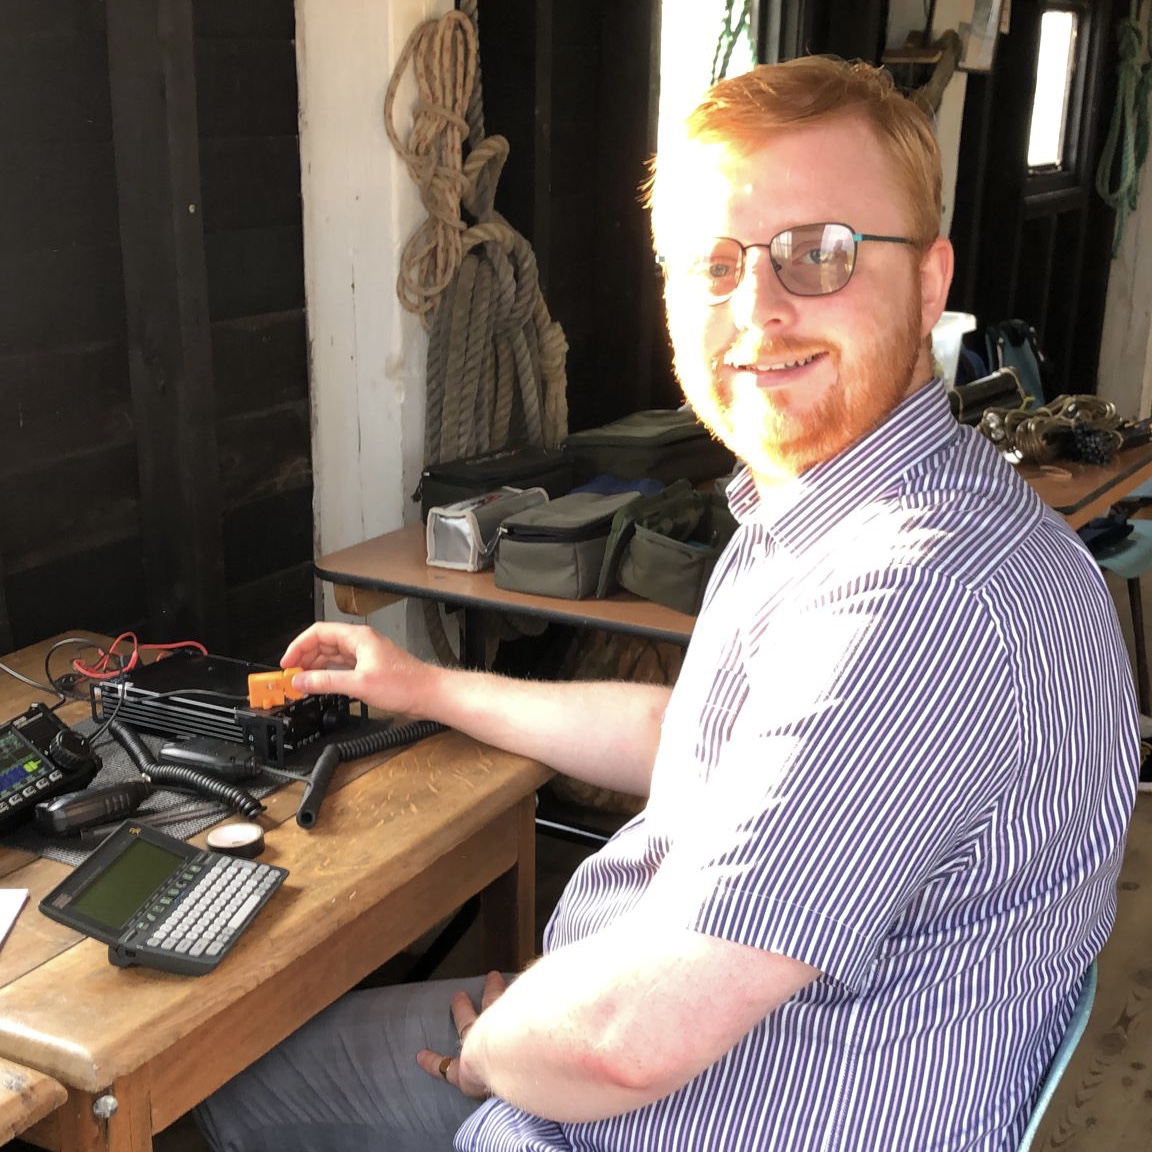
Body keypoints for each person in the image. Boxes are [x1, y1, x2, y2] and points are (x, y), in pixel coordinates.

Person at [196, 55, 1139, 1152]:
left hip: (670, 1103)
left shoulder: (921, 595)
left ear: (930, 284)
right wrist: (424, 684)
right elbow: (684, 733)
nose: (761, 308)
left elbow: (627, 1045)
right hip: (687, 1035)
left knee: (219, 1085)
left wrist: (503, 1042)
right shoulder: (839, 510)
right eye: (715, 263)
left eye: (820, 253)